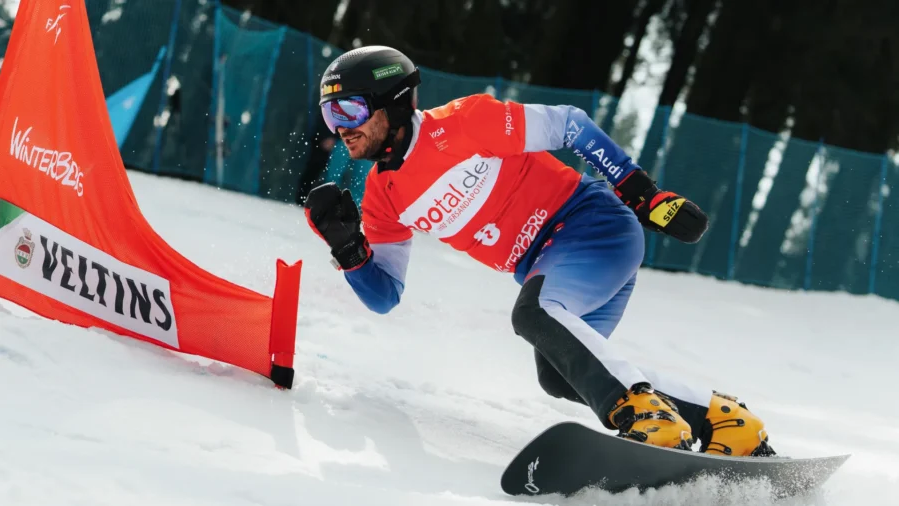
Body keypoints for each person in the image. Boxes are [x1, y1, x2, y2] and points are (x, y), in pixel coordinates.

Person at [304, 45, 776, 457]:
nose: (340, 128)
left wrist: (643, 193)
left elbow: (570, 126)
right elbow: (384, 296)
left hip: (592, 227)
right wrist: (350, 251)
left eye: (348, 111)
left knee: (533, 314)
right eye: (330, 116)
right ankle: (723, 419)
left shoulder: (463, 124)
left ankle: (647, 416)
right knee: (561, 375)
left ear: (392, 102)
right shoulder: (383, 196)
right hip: (552, 267)